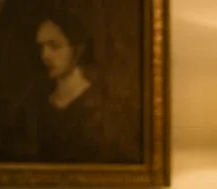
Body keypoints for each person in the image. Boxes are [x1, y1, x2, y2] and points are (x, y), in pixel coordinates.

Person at [30, 8, 139, 163]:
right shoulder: (39, 104)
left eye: (54, 46)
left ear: (77, 50)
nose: (44, 56)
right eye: (41, 47)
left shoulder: (100, 108)